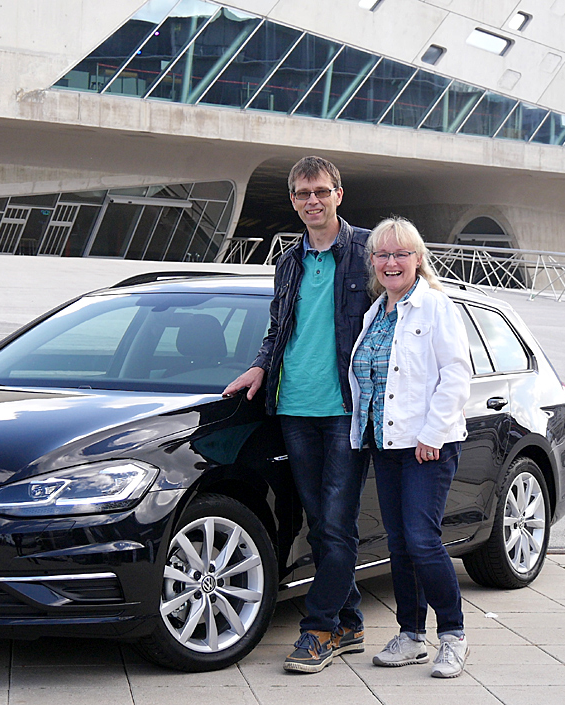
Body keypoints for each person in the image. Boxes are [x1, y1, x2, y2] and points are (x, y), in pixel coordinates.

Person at [223, 156, 373, 673]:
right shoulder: (288, 262)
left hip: (347, 410)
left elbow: (401, 318)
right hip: (293, 406)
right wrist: (260, 368)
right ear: (293, 200)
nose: (313, 200)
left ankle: (319, 630)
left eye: (321, 191)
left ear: (338, 194)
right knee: (320, 522)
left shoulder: (369, 252)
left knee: (337, 522)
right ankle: (350, 622)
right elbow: (277, 330)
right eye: (303, 193)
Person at [348, 216, 473, 678]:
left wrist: (431, 435)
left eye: (401, 253)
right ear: (374, 262)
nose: (391, 262)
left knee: (422, 540)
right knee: (399, 543)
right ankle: (411, 635)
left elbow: (456, 375)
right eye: (383, 254)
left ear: (418, 260)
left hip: (427, 446)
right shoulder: (375, 312)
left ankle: (454, 636)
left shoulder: (436, 307)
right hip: (385, 442)